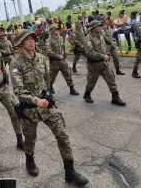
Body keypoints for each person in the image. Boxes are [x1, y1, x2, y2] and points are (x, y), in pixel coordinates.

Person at [10, 31, 89, 185]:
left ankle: (70, 171)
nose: (31, 42)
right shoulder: (15, 63)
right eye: (27, 40)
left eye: (32, 39)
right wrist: (35, 100)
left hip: (46, 105)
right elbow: (18, 90)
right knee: (30, 139)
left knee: (62, 135)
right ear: (21, 44)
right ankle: (30, 160)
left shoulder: (40, 58)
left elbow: (47, 80)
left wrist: (46, 95)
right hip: (29, 109)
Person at [83, 20, 126, 106]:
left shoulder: (100, 36)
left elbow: (104, 47)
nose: (100, 27)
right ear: (93, 28)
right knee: (91, 82)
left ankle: (115, 97)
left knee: (111, 79)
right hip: (94, 65)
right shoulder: (88, 38)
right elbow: (90, 53)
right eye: (98, 26)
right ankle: (87, 94)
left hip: (104, 63)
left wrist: (108, 55)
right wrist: (103, 57)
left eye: (100, 26)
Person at [46, 26, 79, 95]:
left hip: (62, 60)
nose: (57, 31)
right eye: (55, 30)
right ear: (52, 31)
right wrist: (58, 56)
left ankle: (72, 89)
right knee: (52, 77)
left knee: (68, 74)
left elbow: (63, 47)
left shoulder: (61, 38)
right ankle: (50, 87)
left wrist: (64, 54)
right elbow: (48, 52)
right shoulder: (49, 40)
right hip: (54, 61)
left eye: (57, 29)